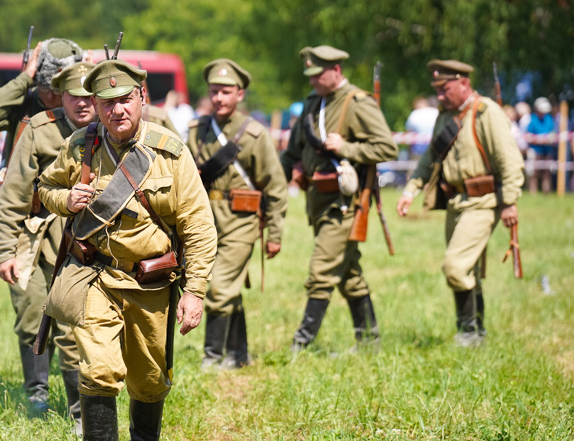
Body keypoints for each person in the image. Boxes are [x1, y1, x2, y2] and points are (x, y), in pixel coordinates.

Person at [37, 60, 216, 441]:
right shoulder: (81, 146)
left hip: (150, 283)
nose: (116, 110)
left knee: (150, 380)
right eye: (106, 103)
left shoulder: (168, 151)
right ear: (94, 105)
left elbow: (198, 225)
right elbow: (43, 188)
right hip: (95, 276)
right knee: (98, 370)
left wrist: (194, 292)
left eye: (124, 100)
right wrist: (66, 199)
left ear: (141, 100)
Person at [0, 62, 97, 428]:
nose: (82, 103)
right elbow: (13, 194)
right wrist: (4, 249)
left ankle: (80, 413)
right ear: (59, 96)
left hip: (89, 242)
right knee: (31, 311)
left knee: (74, 326)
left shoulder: (112, 131)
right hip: (37, 236)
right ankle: (37, 392)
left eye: (88, 96)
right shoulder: (39, 129)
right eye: (73, 95)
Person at [396, 60, 524, 347]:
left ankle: (467, 332)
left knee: (454, 267)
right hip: (454, 202)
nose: (439, 95)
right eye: (437, 90)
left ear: (464, 83)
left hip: (483, 202)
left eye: (445, 89)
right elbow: (430, 158)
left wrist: (510, 201)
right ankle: (476, 331)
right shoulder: (446, 116)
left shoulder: (485, 112)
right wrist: (410, 190)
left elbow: (509, 161)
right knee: (469, 270)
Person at [281, 46, 397, 353]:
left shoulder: (357, 103)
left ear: (336, 70)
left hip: (344, 205)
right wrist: (283, 175)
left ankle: (301, 347)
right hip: (317, 201)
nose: (313, 81)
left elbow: (387, 148)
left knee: (321, 272)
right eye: (310, 75)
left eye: (318, 75)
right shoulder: (311, 104)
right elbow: (293, 151)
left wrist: (347, 148)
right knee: (349, 276)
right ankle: (369, 342)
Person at [187, 59, 288, 369]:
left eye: (226, 92)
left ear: (240, 94)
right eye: (214, 91)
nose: (219, 98)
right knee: (229, 288)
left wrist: (275, 232)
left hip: (241, 221)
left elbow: (275, 185)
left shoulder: (254, 134)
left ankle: (212, 358)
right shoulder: (196, 131)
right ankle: (239, 354)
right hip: (205, 219)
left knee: (218, 287)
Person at [0, 38, 83, 166]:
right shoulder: (24, 104)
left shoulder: (80, 111)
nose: (50, 96)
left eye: (56, 91)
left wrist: (84, 87)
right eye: (44, 88)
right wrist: (24, 79)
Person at [525, 96, 555, 193]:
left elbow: (553, 133)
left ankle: (547, 193)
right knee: (534, 174)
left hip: (547, 150)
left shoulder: (549, 118)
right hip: (535, 150)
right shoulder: (532, 119)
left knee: (547, 173)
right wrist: (539, 140)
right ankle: (533, 193)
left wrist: (550, 138)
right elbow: (528, 136)